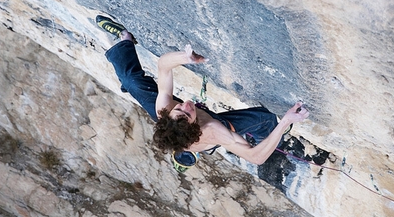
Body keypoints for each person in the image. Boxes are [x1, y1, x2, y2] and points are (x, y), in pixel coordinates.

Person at [97, 15, 309, 171]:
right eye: (188, 112)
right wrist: (284, 123)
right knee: (268, 119)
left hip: (177, 127)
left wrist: (185, 58)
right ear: (194, 125)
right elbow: (256, 158)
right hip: (215, 128)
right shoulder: (214, 130)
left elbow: (163, 66)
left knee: (131, 82)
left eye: (179, 107)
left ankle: (125, 38)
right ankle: (271, 134)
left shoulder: (165, 110)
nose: (186, 104)